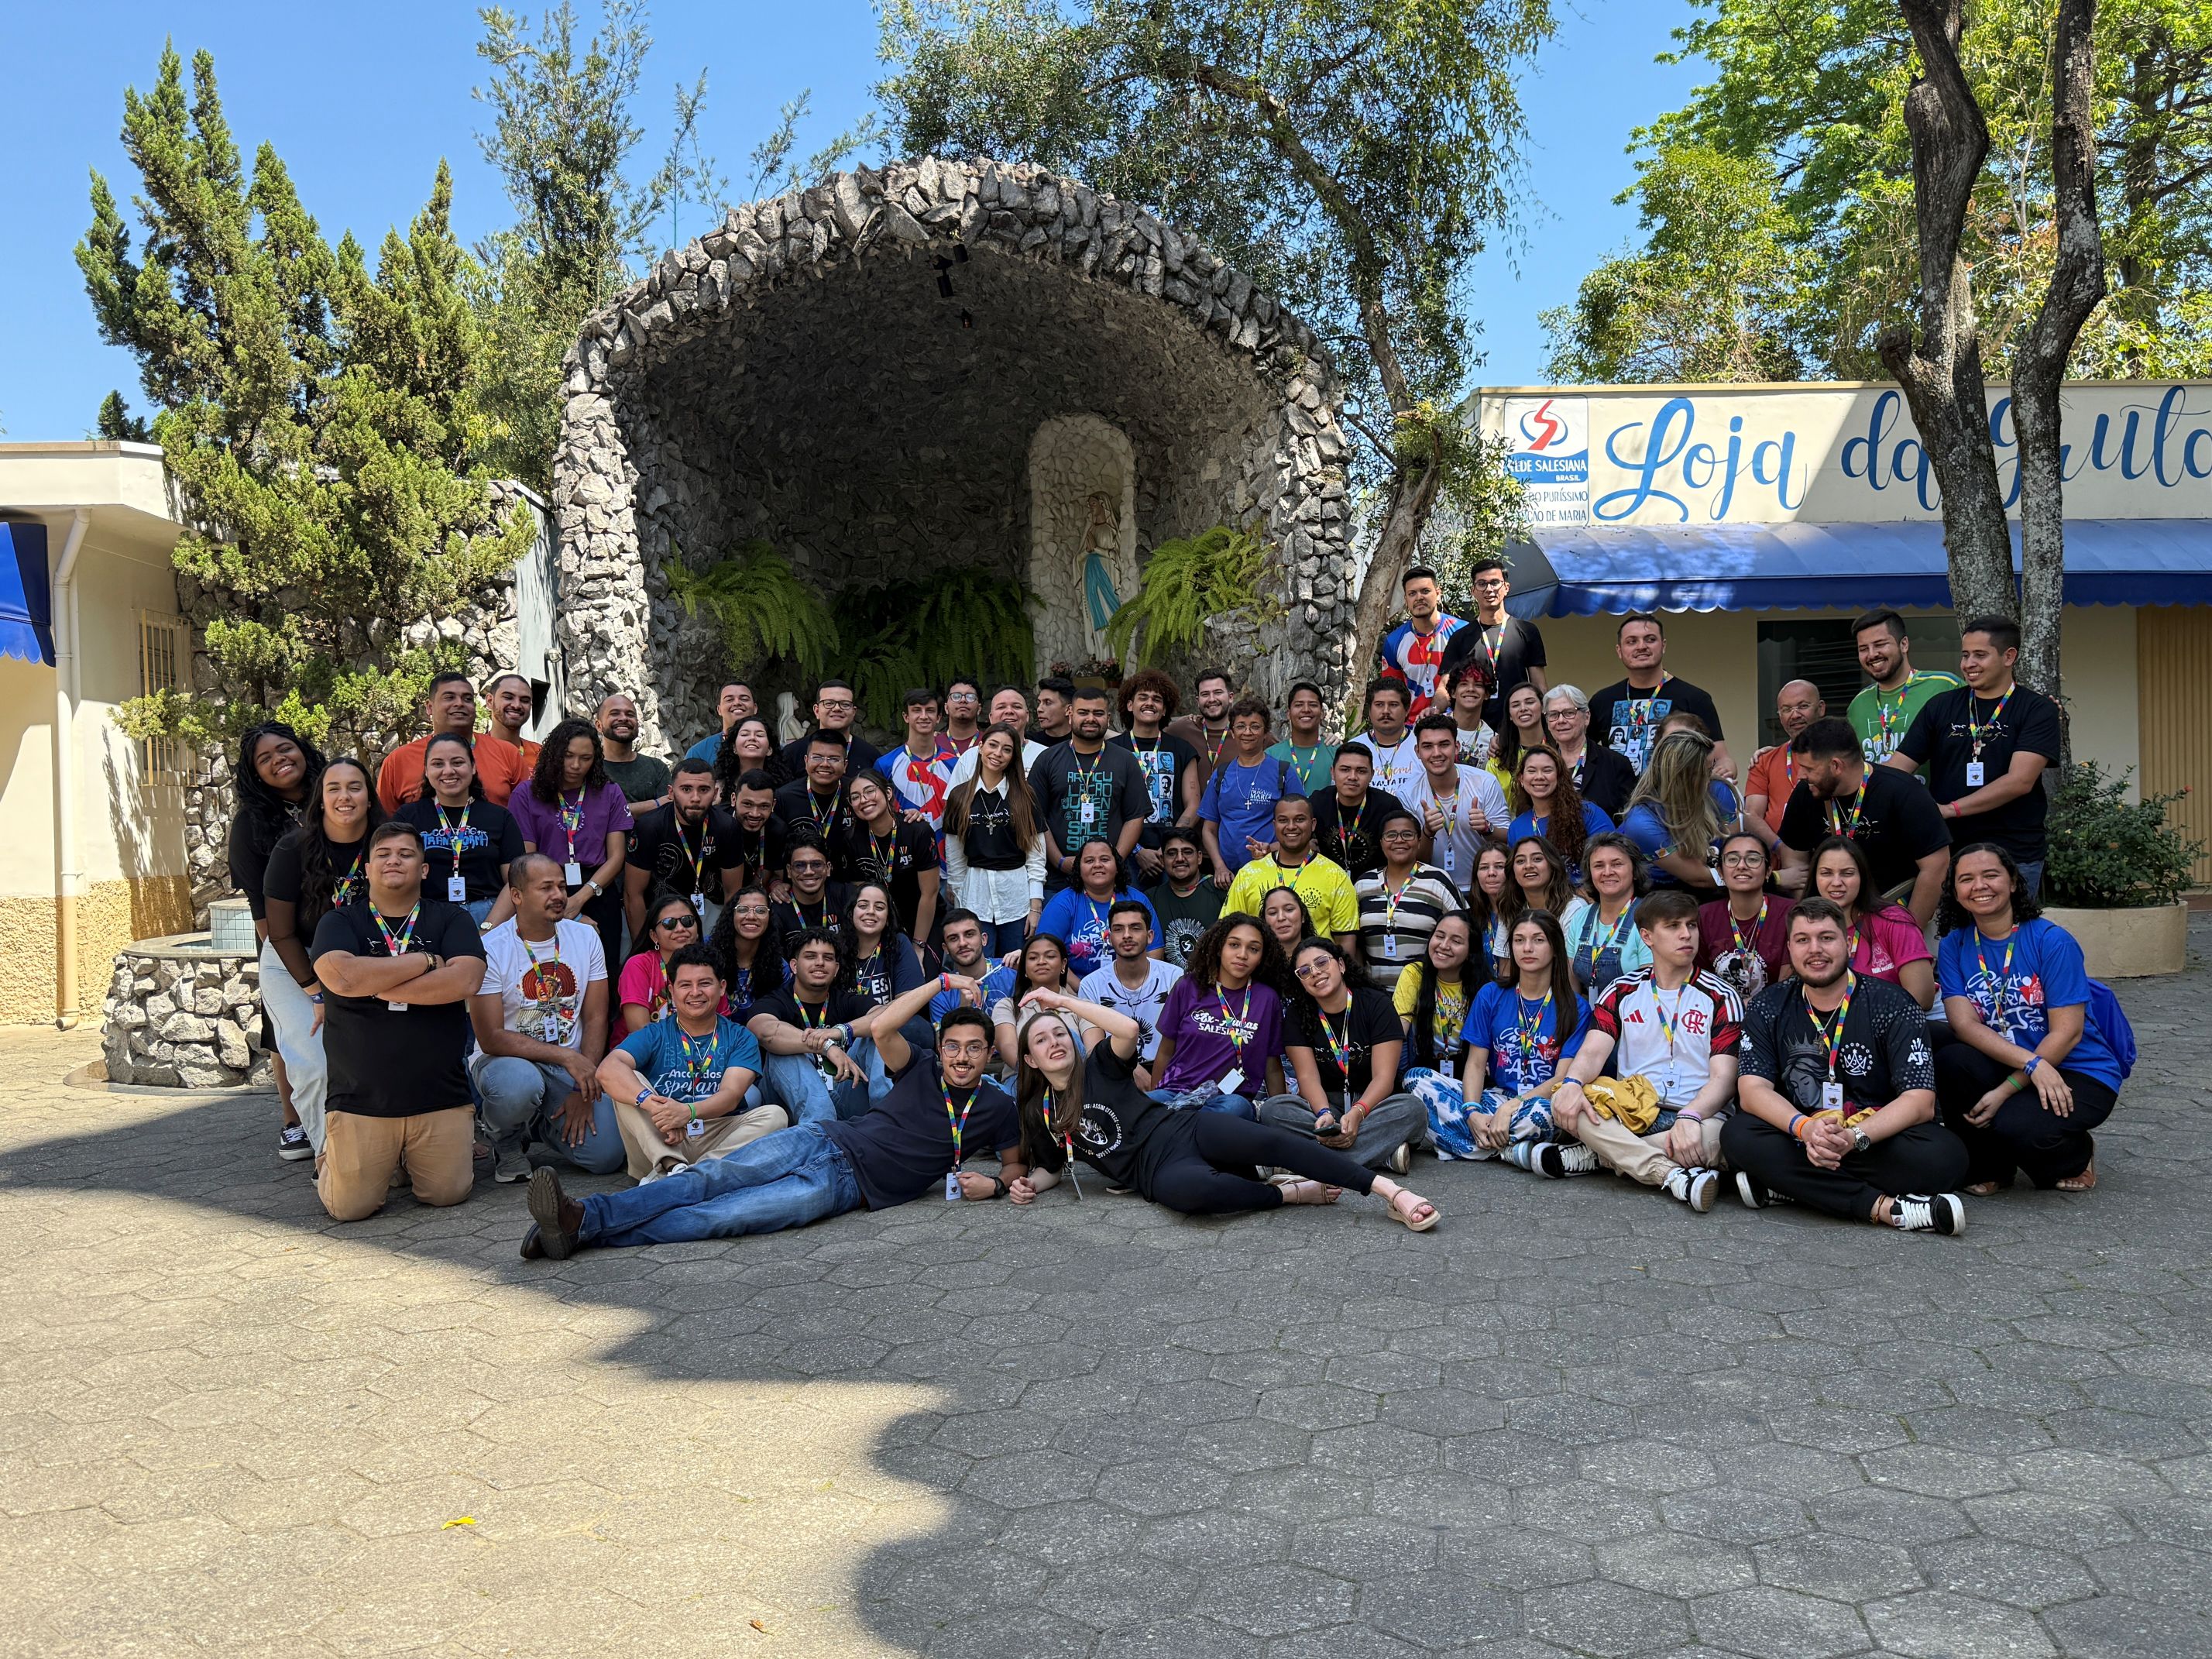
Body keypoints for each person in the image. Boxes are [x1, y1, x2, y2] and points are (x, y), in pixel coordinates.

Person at [522, 977, 1022, 1258]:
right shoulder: (920, 1066)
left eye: (974, 1048)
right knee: (707, 1180)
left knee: (726, 1216)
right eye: (953, 1045)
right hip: (822, 1139)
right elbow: (883, 1026)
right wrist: (941, 982)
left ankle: (575, 1231)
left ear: (989, 1055)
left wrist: (997, 1186)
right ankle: (585, 1216)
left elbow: (1016, 1166)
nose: (961, 1057)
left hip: (846, 1189)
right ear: (940, 1047)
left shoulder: (998, 1106)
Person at [1009, 988, 1438, 1228]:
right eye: (1041, 1040)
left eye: (1060, 1033)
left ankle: (1389, 1192)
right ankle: (1286, 1193)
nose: (1054, 1042)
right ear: (1029, 1059)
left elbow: (1127, 1029)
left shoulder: (1100, 1066)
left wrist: (1063, 1003)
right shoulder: (1037, 1111)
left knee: (1274, 1142)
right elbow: (1050, 1168)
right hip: (1154, 1173)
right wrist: (1028, 1185)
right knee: (1197, 1198)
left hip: (1183, 1128)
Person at [1726, 898, 1967, 1233]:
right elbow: (1752, 1090)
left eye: (1826, 938)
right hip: (1801, 1134)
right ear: (1790, 948)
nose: (1815, 949)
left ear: (1848, 943)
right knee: (1738, 1135)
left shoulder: (1894, 1003)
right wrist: (1805, 1129)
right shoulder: (1769, 1005)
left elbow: (1920, 1102)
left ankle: (1791, 1185)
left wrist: (1853, 1138)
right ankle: (1887, 1208)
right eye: (1802, 940)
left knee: (1946, 1158)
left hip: (1874, 1138)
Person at [309, 821, 487, 1221]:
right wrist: (425, 961)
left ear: (424, 869)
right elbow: (341, 977)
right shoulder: (339, 922)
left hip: (440, 1095)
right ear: (368, 869)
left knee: (448, 1193)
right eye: (384, 855)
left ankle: (401, 1160)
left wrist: (377, 985)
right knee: (349, 1209)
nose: (394, 861)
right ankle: (332, 1158)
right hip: (362, 1100)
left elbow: (466, 980)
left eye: (406, 854)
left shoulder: (451, 919)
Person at [1933, 844, 2123, 1194]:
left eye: (1991, 875)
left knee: (2017, 1128)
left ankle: (2078, 1155)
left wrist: (2007, 1089)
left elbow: (2068, 1032)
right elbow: (1964, 1025)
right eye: (1966, 879)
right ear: (1955, 892)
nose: (1979, 886)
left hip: (2076, 1067)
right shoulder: (1954, 946)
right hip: (2021, 1059)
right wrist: (2031, 1065)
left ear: (2013, 883)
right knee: (1952, 1058)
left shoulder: (2052, 941)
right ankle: (1990, 1167)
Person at [1547, 889, 1743, 1210]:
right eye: (1673, 926)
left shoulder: (1721, 995)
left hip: (1698, 1115)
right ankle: (1670, 1174)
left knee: (1718, 1139)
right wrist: (1571, 1083)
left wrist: (1690, 1115)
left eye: (1691, 925)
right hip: (1634, 1111)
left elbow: (1725, 1078)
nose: (1686, 934)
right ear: (1647, 937)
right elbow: (1593, 1052)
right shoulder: (1621, 990)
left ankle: (1602, 1157)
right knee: (1566, 1099)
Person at [470, 852, 620, 1182]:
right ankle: (506, 1140)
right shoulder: (490, 948)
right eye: (546, 888)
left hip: (568, 1069)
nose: (558, 895)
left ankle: (539, 1123)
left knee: (607, 1155)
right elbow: (491, 1037)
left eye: (562, 887)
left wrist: (582, 1087)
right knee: (519, 1086)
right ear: (517, 896)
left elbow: (597, 1017)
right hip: (506, 1062)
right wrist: (567, 1056)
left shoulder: (586, 937)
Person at [1887, 616, 2064, 894]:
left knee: (2007, 923)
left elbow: (2020, 781)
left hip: (2013, 853)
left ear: (2009, 657)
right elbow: (1897, 769)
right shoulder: (1941, 706)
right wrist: (1862, 785)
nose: (1968, 664)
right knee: (1952, 924)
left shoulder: (2037, 709)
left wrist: (1950, 810)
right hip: (1949, 851)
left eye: (1980, 655)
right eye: (1965, 655)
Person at [263, 756, 380, 1158]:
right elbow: (280, 932)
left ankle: (380, 1150)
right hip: (296, 963)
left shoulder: (386, 844)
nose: (345, 796)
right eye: (334, 788)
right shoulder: (292, 848)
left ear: (369, 797)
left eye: (355, 787)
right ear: (321, 799)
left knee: (373, 1059)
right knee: (315, 1064)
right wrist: (315, 992)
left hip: (362, 964)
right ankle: (331, 1160)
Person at [1416, 911, 1591, 1167]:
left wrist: (1511, 1109)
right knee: (1416, 1079)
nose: (1527, 948)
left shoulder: (1575, 1007)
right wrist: (1473, 1112)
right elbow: (1476, 1064)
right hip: (1496, 1098)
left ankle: (1467, 1145)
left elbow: (1561, 1080)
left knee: (1547, 1114)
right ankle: (1510, 1150)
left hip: (1539, 1102)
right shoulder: (1491, 994)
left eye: (1538, 940)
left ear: (1555, 948)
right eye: (1519, 940)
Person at [599, 941, 785, 1180]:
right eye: (685, 985)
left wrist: (687, 1112)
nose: (695, 992)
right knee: (626, 1080)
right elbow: (607, 1069)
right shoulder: (655, 1033)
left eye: (705, 983)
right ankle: (671, 1164)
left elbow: (731, 1095)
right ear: (672, 990)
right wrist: (660, 1110)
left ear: (722, 987)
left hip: (716, 1133)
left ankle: (687, 1176)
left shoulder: (740, 1037)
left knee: (775, 1115)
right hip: (661, 1135)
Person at [227, 722, 323, 1160]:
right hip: (283, 941)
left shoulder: (330, 796)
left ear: (301, 749)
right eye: (264, 759)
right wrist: (289, 961)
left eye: (284, 749)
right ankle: (293, 1122)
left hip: (341, 935)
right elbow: (259, 905)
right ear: (255, 773)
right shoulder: (250, 824)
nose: (278, 760)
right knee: (287, 1033)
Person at [1262, 939, 1427, 1173]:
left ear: (1341, 965)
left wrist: (1359, 1112)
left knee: (1413, 1109)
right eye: (1305, 971)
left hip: (1373, 1104)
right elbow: (1307, 1077)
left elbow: (1384, 1078)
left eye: (1322, 962)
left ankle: (1308, 1161)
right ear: (1300, 982)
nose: (1315, 972)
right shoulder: (1297, 1014)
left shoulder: (1376, 1004)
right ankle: (1379, 1155)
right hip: (1326, 1101)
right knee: (1273, 1109)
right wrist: (1324, 1113)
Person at [1777, 716, 1953, 926]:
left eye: (1809, 769)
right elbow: (1794, 858)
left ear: (1836, 766)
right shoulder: (1805, 793)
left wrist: (1908, 931)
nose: (1800, 775)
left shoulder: (1904, 791)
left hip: (1894, 912)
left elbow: (1936, 866)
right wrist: (1812, 917)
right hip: (1830, 920)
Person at [508, 717, 633, 974]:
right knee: (552, 972)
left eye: (586, 758)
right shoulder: (526, 793)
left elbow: (616, 857)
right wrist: (569, 910)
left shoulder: (610, 792)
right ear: (554, 754)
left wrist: (581, 897)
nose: (576, 766)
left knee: (602, 971)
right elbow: (526, 861)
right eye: (568, 756)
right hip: (544, 889)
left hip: (597, 888)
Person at [1146, 914, 1288, 1118]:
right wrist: (1153, 1102)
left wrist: (1280, 1116)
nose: (1242, 954)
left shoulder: (1267, 999)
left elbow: (1272, 1066)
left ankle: (1182, 1125)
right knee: (1145, 1106)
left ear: (1261, 957)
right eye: (1234, 945)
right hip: (1177, 1091)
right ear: (1219, 947)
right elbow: (1165, 1051)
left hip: (1228, 1099)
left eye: (1253, 949)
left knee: (1234, 1108)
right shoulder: (1188, 986)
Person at [747, 928, 886, 1121]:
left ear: (836, 969)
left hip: (843, 1093)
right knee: (783, 1051)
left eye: (827, 958)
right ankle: (818, 1128)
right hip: (791, 1109)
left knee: (878, 1033)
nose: (820, 963)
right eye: (811, 956)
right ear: (794, 966)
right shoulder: (775, 1001)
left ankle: (887, 1120)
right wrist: (826, 1047)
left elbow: (887, 1016)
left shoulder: (845, 1000)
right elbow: (765, 1032)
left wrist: (843, 1030)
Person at [396, 733, 524, 931]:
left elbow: (515, 881)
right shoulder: (408, 817)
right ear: (427, 771)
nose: (448, 771)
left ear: (472, 767)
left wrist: (488, 929)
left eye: (457, 763)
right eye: (438, 764)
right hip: (429, 916)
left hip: (491, 916)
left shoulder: (500, 817)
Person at [1029, 685, 1150, 890]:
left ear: (1108, 718)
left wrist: (1114, 861)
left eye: (1098, 713)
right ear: (1070, 715)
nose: (1091, 719)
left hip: (1112, 878)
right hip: (1058, 878)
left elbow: (1135, 816)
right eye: (1083, 712)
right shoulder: (1047, 760)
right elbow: (1036, 817)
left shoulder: (1126, 760)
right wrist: (1059, 861)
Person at [942, 723, 1046, 956]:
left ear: (1013, 757)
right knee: (979, 967)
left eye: (1007, 750)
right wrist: (960, 905)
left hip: (1016, 900)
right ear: (980, 748)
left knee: (1016, 967)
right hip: (974, 898)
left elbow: (1036, 855)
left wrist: (1035, 905)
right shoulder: (959, 796)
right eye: (993, 745)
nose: (998, 753)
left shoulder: (1025, 796)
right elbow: (955, 857)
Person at [1588, 613, 1733, 778]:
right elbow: (1580, 753)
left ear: (1663, 646)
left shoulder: (1695, 699)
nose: (1641, 646)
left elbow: (1721, 759)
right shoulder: (1602, 701)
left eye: (1650, 639)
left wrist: (1725, 769)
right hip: (1616, 795)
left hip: (1673, 794)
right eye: (1632, 641)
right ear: (1619, 651)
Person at [1808, 835, 1936, 1008]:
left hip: (1908, 1019)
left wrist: (1867, 1019)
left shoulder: (1894, 920)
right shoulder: (1806, 928)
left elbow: (1921, 998)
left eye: (1847, 873)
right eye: (1826, 873)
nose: (1836, 882)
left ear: (1862, 876)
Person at [625, 758, 742, 939]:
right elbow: (633, 894)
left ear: (715, 793)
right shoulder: (649, 827)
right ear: (671, 792)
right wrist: (642, 946)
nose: (695, 798)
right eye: (686, 789)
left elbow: (732, 892)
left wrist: (725, 941)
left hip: (707, 907)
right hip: (656, 910)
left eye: (704, 790)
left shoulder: (727, 827)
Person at [1223, 795, 1360, 950]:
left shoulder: (1335, 876)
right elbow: (1229, 930)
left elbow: (1346, 943)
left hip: (1315, 965)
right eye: (1283, 820)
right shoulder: (1249, 874)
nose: (1291, 826)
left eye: (1299, 820)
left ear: (1313, 824)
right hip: (1262, 965)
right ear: (1274, 825)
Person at [376, 672, 528, 811]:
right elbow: (384, 822)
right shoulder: (398, 760)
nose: (460, 704)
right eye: (449, 697)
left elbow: (527, 816)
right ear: (429, 707)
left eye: (467, 699)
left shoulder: (508, 754)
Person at [1354, 809, 1467, 992]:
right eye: (1391, 835)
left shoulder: (1438, 881)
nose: (1399, 840)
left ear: (1419, 840)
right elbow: (1355, 942)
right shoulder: (1363, 884)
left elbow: (1465, 932)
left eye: (1407, 834)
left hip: (1426, 994)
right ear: (1381, 842)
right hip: (1375, 996)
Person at [1199, 698, 1304, 884]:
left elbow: (1301, 826)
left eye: (1255, 726)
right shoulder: (1221, 774)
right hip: (1229, 877)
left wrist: (1271, 848)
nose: (1247, 732)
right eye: (1241, 726)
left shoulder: (1283, 772)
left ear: (1265, 733)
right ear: (1232, 733)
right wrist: (1219, 867)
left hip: (1274, 871)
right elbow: (1209, 829)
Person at [1400, 713, 1509, 894]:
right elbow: (1412, 859)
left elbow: (1508, 839)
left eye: (1444, 744)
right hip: (1431, 889)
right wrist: (1427, 833)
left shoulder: (1484, 782)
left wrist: (1487, 829)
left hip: (1483, 889)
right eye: (1428, 746)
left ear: (1456, 747)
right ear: (1417, 752)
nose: (1437, 753)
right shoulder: (1407, 793)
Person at [1111, 668, 1201, 882]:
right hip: (1124, 854)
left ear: (1164, 710)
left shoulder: (1183, 750)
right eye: (1143, 698)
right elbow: (1108, 808)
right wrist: (1136, 850)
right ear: (1130, 705)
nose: (1150, 703)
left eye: (1157, 699)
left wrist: (1169, 847)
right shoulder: (1111, 750)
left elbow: (1194, 804)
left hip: (1172, 856)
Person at [1437, 555, 1548, 727]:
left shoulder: (1527, 631)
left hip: (1518, 726)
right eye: (1482, 584)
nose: (1489, 589)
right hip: (1474, 729)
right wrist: (1434, 710)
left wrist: (1546, 722)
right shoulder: (1460, 637)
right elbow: (1445, 686)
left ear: (1506, 588)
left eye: (1495, 583)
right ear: (1473, 591)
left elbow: (1539, 686)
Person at [1618, 730, 1734, 893]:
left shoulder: (1718, 789)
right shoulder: (1641, 822)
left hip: (1717, 882)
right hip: (1662, 893)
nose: (1710, 778)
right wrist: (1746, 878)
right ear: (1680, 776)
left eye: (1711, 768)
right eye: (1703, 773)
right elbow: (1698, 878)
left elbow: (1734, 848)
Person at [1077, 898, 1185, 1068]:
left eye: (1135, 928)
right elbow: (1095, 1050)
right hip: (1113, 1069)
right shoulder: (1091, 985)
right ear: (1109, 938)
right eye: (1118, 929)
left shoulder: (1175, 977)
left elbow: (1184, 1038)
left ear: (1150, 936)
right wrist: (1133, 1072)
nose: (1127, 935)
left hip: (1169, 1069)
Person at [1035, 838, 1163, 981]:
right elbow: (1045, 953)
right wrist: (1083, 990)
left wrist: (1138, 987)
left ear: (1117, 866)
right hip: (1075, 988)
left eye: (1104, 859)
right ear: (1079, 868)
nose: (1097, 865)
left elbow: (1154, 951)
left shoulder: (1138, 899)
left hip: (1134, 985)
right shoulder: (1062, 903)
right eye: (1089, 861)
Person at [838, 771, 942, 943]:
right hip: (882, 926)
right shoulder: (852, 840)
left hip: (925, 923)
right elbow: (862, 897)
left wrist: (919, 944)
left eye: (870, 791)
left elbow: (929, 894)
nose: (863, 800)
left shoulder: (917, 831)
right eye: (855, 797)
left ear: (887, 793)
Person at [1848, 609, 1960, 768]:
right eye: (1863, 649)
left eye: (1880, 644)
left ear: (1904, 644)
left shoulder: (1945, 685)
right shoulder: (1858, 705)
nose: (1872, 654)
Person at [1393, 912, 1479, 1107]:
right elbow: (1398, 1034)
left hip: (1469, 1071)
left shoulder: (1484, 986)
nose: (1444, 945)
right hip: (1424, 1071)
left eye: (1456, 941)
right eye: (1439, 936)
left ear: (1470, 951)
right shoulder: (1414, 974)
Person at [1697, 833, 1792, 1001]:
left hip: (1774, 1011)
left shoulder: (1789, 913)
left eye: (1753, 859)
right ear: (1720, 872)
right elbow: (1700, 982)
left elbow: (1788, 985)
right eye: (1732, 859)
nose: (1741, 866)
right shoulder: (1704, 916)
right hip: (1721, 1012)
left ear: (1768, 871)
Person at [1566, 833, 1652, 995]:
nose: (1607, 872)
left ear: (1634, 871)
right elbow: (1571, 988)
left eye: (1617, 864)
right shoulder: (1580, 918)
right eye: (1599, 866)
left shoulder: (1650, 918)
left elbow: (1649, 991)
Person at [1506, 745, 1612, 876]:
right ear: (1522, 779)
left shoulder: (1588, 813)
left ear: (1559, 776)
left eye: (1547, 770)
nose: (1539, 776)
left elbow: (1610, 860)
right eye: (1532, 771)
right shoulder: (1516, 828)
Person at [1376, 565, 1465, 720]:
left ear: (1438, 594)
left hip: (1457, 723)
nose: (1419, 598)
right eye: (1412, 594)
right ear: (1406, 600)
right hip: (1413, 727)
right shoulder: (1394, 642)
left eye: (1425, 591)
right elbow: (1392, 694)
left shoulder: (1462, 632)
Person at [620, 891, 714, 1034]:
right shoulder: (639, 965)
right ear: (654, 936)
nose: (680, 929)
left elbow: (721, 1025)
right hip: (644, 1047)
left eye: (687, 921)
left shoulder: (710, 964)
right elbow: (640, 1031)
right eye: (669, 923)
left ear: (697, 930)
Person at [1542, 685, 1638, 820]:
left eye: (1569, 713)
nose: (1561, 721)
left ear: (1586, 717)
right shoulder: (1541, 764)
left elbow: (1630, 818)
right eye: (1553, 715)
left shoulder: (1615, 764)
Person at [1744, 680, 1826, 836]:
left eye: (1803, 706)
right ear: (1780, 716)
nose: (1795, 715)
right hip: (1776, 849)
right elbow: (1752, 816)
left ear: (1821, 708)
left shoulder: (1838, 757)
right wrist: (1779, 847)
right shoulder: (1764, 761)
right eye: (1787, 709)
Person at [874, 686, 958, 833]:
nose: (924, 716)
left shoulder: (955, 764)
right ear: (906, 717)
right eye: (917, 710)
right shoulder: (885, 764)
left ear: (938, 717)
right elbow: (877, 811)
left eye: (930, 710)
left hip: (946, 844)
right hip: (902, 843)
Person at [991, 933, 1082, 1068]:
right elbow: (1009, 1050)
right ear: (1024, 968)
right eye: (1033, 958)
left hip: (1075, 1075)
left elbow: (1092, 1053)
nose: (1041, 962)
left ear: (1064, 964)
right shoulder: (1007, 1006)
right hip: (1023, 1076)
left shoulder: (1082, 1006)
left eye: (1050, 956)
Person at [706, 886, 788, 1027]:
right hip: (712, 1033)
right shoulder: (707, 950)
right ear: (732, 914)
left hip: (758, 1036)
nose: (751, 916)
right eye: (743, 909)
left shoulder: (780, 967)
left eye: (760, 911)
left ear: (770, 918)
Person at [1146, 826, 1226, 968]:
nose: (1180, 859)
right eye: (1172, 853)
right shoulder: (1150, 899)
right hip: (1170, 980)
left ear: (1199, 857)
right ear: (1163, 860)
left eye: (1187, 852)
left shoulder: (1219, 890)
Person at [775, 730, 860, 857]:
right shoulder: (784, 797)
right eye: (817, 757)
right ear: (806, 761)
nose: (825, 764)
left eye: (834, 759)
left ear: (845, 765)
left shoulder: (856, 793)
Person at [775, 680, 881, 778]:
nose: (837, 708)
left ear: (853, 712)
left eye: (845, 704)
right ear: (817, 711)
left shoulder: (870, 755)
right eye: (829, 703)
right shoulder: (792, 753)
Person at [947, 687, 1047, 787]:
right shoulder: (969, 758)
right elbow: (954, 796)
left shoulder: (1045, 755)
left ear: (1027, 716)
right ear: (991, 717)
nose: (1009, 711)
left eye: (1017, 707)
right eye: (1001, 707)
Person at [770, 832, 853, 950]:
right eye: (800, 866)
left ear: (828, 868)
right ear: (789, 871)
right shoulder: (777, 909)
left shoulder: (846, 896)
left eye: (816, 864)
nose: (809, 872)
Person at [1507, 836, 1591, 946]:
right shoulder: (1510, 907)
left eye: (1537, 859)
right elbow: (1504, 957)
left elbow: (1571, 958)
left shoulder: (1574, 908)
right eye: (1520, 861)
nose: (1528, 866)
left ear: (1552, 865)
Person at [592, 693, 671, 806]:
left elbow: (666, 810)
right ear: (599, 726)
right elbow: (591, 812)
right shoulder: (589, 767)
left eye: (630, 715)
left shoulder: (657, 769)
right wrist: (655, 804)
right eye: (614, 714)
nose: (624, 718)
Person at [1355, 678, 1425, 801]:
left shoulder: (1423, 746)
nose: (1386, 711)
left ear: (1407, 710)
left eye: (1393, 705)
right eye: (1379, 705)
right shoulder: (1355, 748)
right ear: (1370, 710)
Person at [1166, 668, 1236, 788]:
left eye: (1218, 692)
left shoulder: (1245, 734)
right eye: (1205, 694)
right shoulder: (1182, 730)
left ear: (1231, 697)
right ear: (1198, 701)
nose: (1212, 699)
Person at [1266, 682, 1337, 795]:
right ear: (1288, 714)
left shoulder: (1337, 752)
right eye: (1299, 705)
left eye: (1313, 705)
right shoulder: (1271, 756)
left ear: (1322, 713)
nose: (1306, 709)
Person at [725, 767, 787, 895]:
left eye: (764, 806)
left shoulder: (777, 830)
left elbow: (771, 873)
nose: (755, 814)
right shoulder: (717, 823)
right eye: (748, 804)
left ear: (773, 805)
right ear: (734, 799)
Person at [1485, 683, 1551, 795]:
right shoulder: (1498, 757)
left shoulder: (1558, 747)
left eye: (1530, 702)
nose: (1523, 708)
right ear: (1510, 715)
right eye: (1516, 705)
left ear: (1542, 707)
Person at [685, 682, 757, 766]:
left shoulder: (767, 747)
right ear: (719, 710)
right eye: (729, 700)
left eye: (744, 699)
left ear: (755, 708)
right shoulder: (699, 753)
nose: (737, 703)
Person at [713, 715, 781, 804]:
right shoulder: (717, 788)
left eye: (760, 735)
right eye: (745, 734)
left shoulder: (782, 790)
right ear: (734, 748)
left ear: (769, 750)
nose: (752, 738)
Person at [1465, 843, 1515, 963]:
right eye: (1484, 868)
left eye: (1499, 866)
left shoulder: (1525, 913)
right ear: (1476, 876)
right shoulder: (1470, 918)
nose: (1491, 873)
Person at [1443, 661, 1498, 768]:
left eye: (1478, 685)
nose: (1471, 689)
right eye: (1464, 684)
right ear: (1453, 692)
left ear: (1487, 694)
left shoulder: (1494, 741)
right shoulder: (1431, 727)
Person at [482, 673, 541, 774]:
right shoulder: (474, 752)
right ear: (490, 701)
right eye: (508, 697)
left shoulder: (542, 755)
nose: (517, 705)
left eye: (525, 700)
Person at [1259, 884, 1318, 962]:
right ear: (1264, 921)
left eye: (1289, 909)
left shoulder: (1321, 955)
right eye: (1273, 913)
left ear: (1303, 915)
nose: (1281, 918)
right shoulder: (1257, 961)